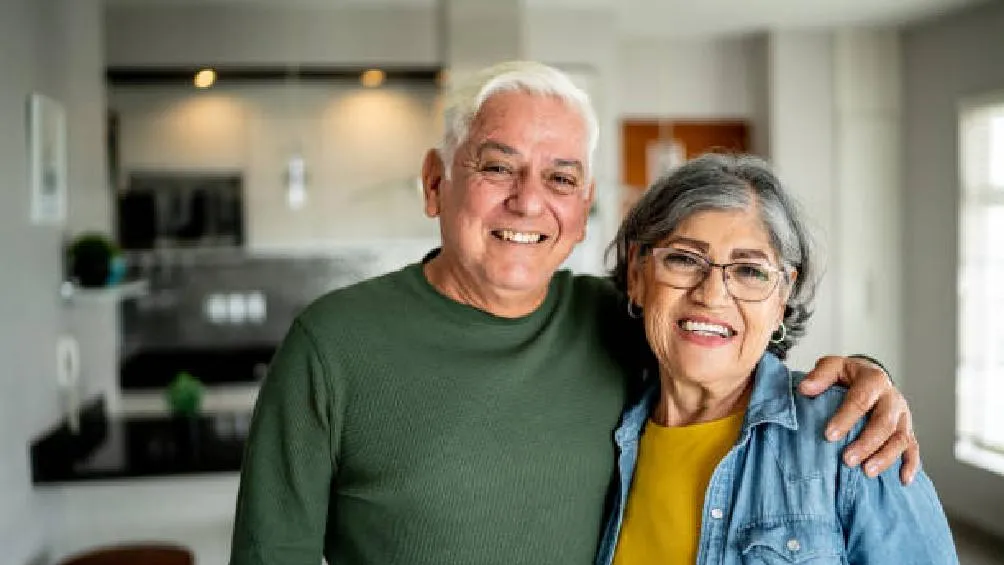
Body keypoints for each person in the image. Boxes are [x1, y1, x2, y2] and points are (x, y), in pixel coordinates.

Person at [229, 61, 918, 565]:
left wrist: (869, 377)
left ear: (582, 210)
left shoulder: (617, 320)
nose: (529, 202)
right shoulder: (331, 344)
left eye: (560, 177)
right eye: (498, 167)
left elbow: (729, 343)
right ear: (436, 183)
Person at [596, 153, 957, 565]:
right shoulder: (603, 431)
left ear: (782, 298)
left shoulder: (853, 439)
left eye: (749, 270)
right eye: (683, 259)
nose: (712, 295)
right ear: (637, 277)